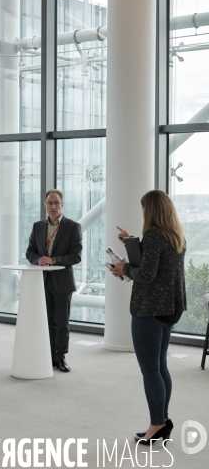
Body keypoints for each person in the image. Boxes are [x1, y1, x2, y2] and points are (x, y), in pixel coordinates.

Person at [109, 189, 186, 445]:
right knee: (160, 365)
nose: (142, 212)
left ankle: (157, 425)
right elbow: (158, 264)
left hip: (150, 309)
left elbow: (147, 274)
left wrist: (124, 268)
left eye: (144, 208)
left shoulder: (153, 234)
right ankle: (162, 420)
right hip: (169, 309)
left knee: (150, 368)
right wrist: (131, 243)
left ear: (151, 210)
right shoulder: (175, 235)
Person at [26, 189, 82, 373]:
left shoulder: (72, 227)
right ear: (44, 205)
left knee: (62, 322)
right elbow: (30, 252)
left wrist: (54, 260)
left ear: (62, 205)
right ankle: (48, 355)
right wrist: (39, 260)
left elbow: (76, 256)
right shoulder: (37, 226)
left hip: (62, 281)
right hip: (42, 280)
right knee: (47, 321)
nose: (53, 206)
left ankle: (61, 356)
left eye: (56, 203)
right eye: (49, 203)